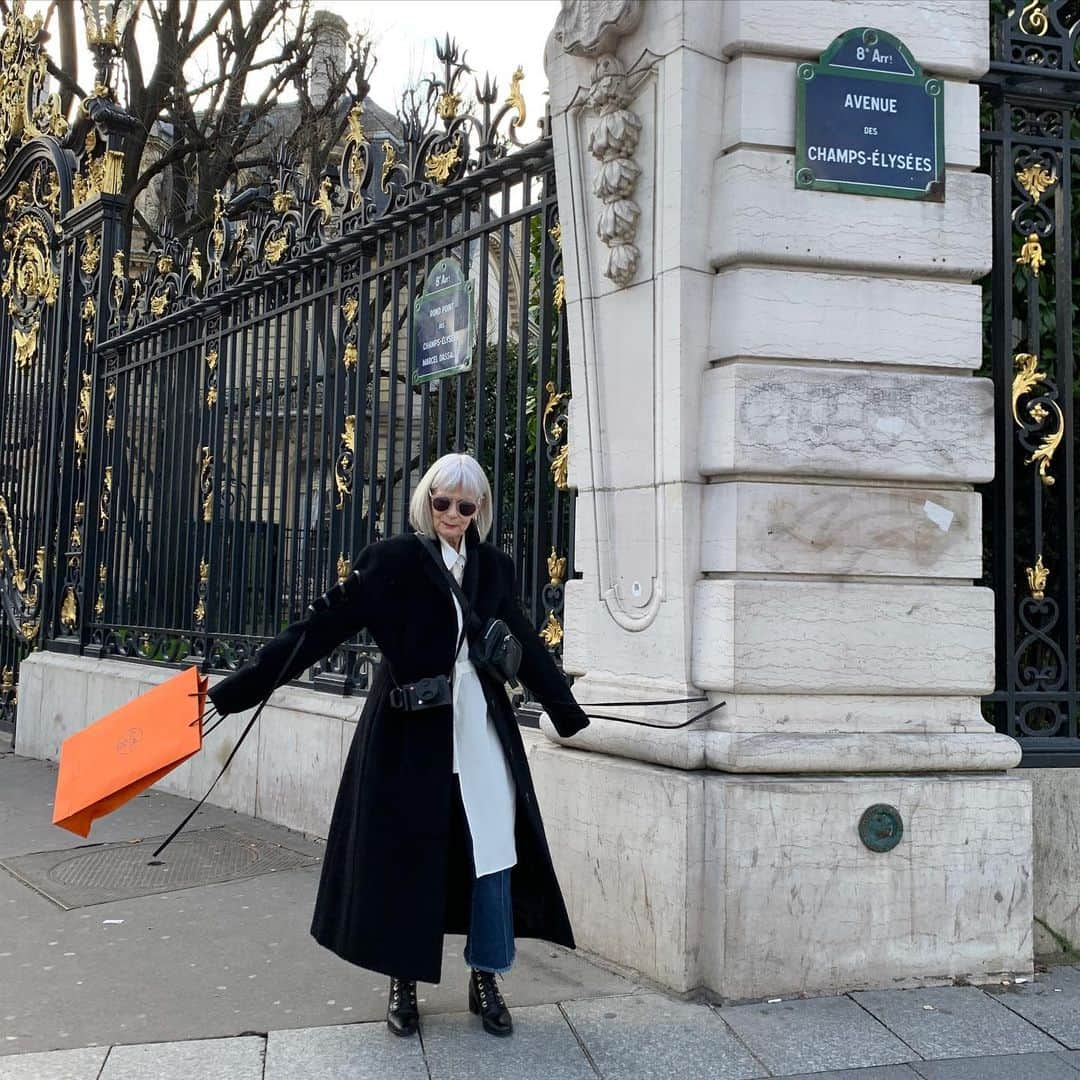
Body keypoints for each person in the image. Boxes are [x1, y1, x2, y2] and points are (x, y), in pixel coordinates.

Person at [207, 452, 589, 1039]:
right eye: (442, 502)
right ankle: (401, 981)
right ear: (425, 501)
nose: (453, 514)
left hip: (482, 730)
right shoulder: (392, 562)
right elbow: (320, 627)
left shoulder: (493, 568)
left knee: (493, 850)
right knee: (404, 852)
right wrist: (243, 688)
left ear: (480, 508)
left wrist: (565, 710)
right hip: (408, 731)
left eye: (466, 504)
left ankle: (486, 974)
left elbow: (526, 643)